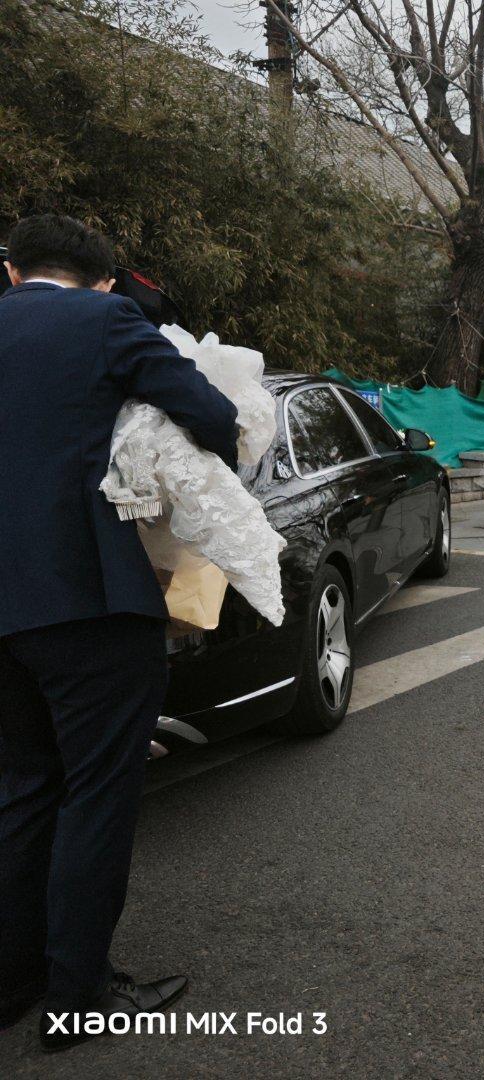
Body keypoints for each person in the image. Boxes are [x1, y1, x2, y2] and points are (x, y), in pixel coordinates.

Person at [0, 214, 239, 1051]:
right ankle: (79, 995)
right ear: (103, 280)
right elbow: (212, 414)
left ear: (11, 267)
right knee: (96, 793)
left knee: (24, 790)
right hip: (87, 600)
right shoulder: (106, 320)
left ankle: (14, 981)